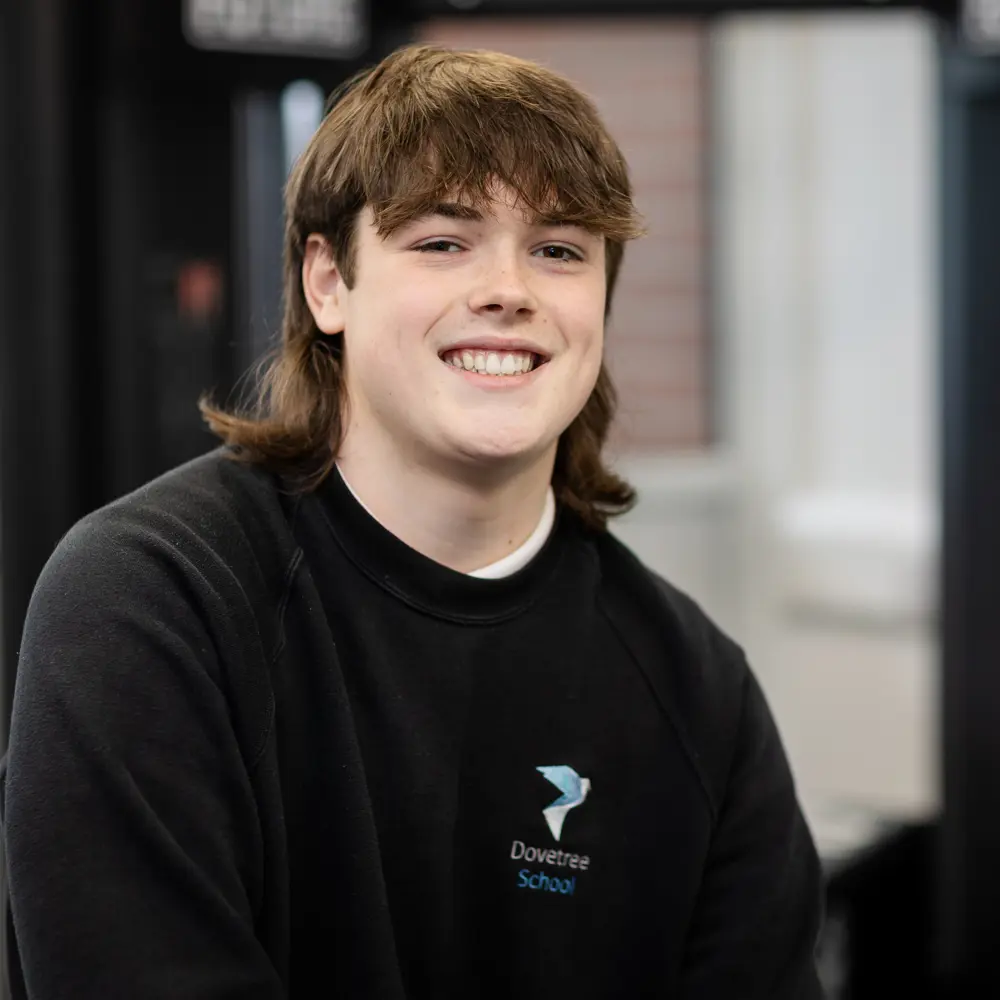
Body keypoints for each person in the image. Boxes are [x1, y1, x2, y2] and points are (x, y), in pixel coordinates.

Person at [1, 44, 824, 999]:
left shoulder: (697, 688)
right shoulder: (150, 605)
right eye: (443, 241)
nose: (508, 290)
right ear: (328, 283)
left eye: (559, 249)